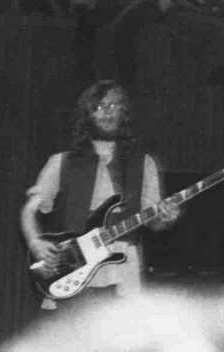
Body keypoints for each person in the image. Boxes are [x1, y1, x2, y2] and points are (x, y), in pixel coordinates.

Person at [20, 80, 180, 311]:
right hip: (73, 267)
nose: (107, 112)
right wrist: (36, 242)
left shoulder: (144, 163)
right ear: (87, 115)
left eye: (113, 105)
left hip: (123, 271)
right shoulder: (61, 162)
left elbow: (153, 219)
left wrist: (165, 217)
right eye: (98, 106)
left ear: (124, 112)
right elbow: (29, 211)